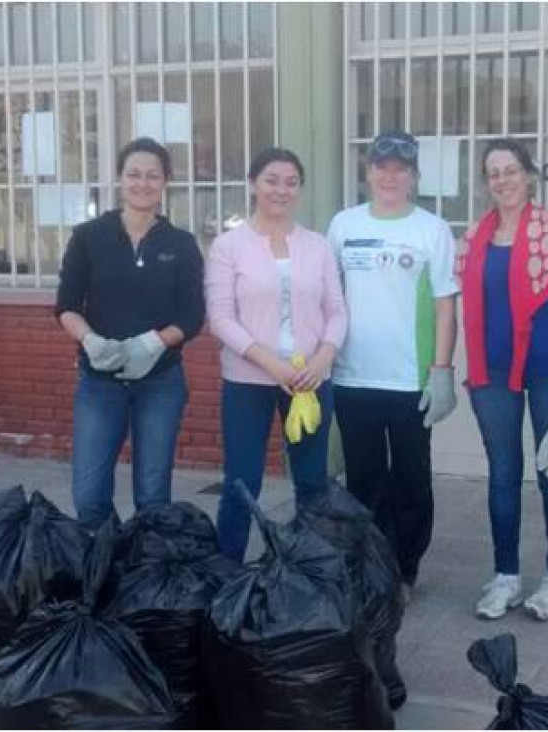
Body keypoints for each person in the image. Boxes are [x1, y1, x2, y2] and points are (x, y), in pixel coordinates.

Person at [461, 139, 548, 621]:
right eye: (493, 173)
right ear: (485, 182)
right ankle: (506, 577)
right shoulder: (474, 239)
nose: (503, 180)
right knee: (502, 475)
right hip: (491, 374)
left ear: (529, 175)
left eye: (511, 170)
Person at [326, 130, 459, 604]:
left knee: (411, 480)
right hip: (353, 377)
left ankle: (404, 569)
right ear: (367, 173)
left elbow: (446, 305)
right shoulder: (343, 225)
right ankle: (369, 568)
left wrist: (441, 370)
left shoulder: (431, 229)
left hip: (409, 381)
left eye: (400, 167)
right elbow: (326, 295)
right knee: (363, 481)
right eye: (381, 166)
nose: (389, 175)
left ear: (413, 176)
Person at [206, 147, 347, 561]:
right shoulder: (228, 246)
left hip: (309, 382)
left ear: (298, 189)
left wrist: (322, 360)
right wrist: (273, 365)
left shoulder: (317, 246)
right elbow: (221, 319)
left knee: (311, 482)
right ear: (253, 184)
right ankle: (226, 573)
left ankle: (310, 571)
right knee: (241, 483)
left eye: (290, 182)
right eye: (271, 180)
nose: (280, 190)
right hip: (248, 381)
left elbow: (337, 312)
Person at [56, 137, 205, 529]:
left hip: (161, 383)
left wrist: (153, 342)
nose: (143, 183)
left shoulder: (182, 244)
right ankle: (106, 565)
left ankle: (144, 577)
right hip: (99, 381)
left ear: (166, 181)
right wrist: (90, 340)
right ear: (120, 179)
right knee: (88, 496)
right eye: (134, 174)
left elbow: (193, 314)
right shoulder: (89, 237)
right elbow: (67, 305)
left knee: (152, 497)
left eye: (152, 175)